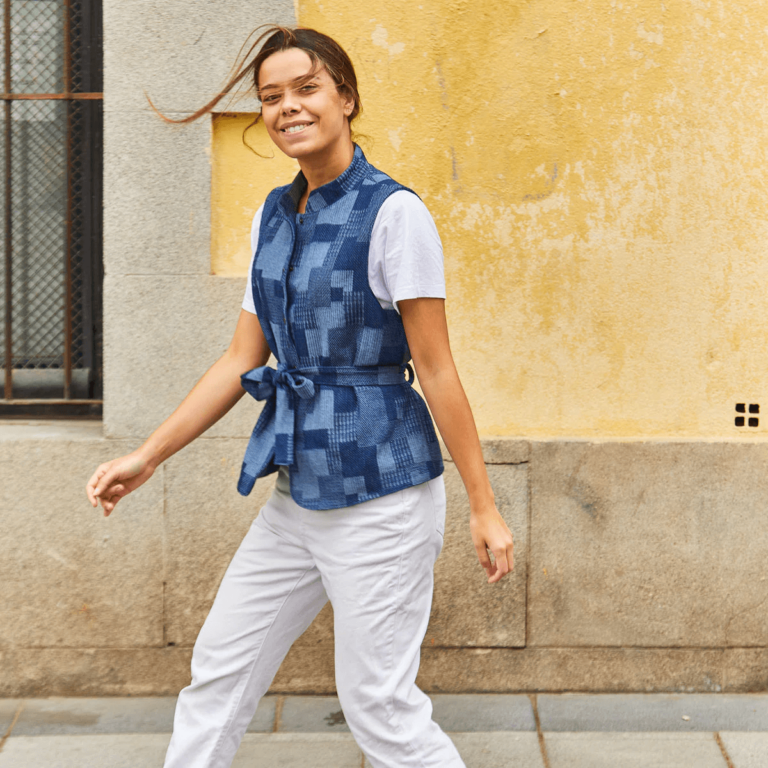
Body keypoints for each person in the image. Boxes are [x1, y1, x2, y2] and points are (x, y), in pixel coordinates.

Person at [86, 25, 515, 768]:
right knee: (219, 669)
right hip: (298, 494)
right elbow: (240, 360)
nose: (289, 107)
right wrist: (148, 455)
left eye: (307, 89)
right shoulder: (272, 218)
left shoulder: (395, 215)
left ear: (345, 98)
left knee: (380, 704)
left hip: (382, 497)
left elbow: (437, 370)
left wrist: (484, 503)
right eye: (271, 97)